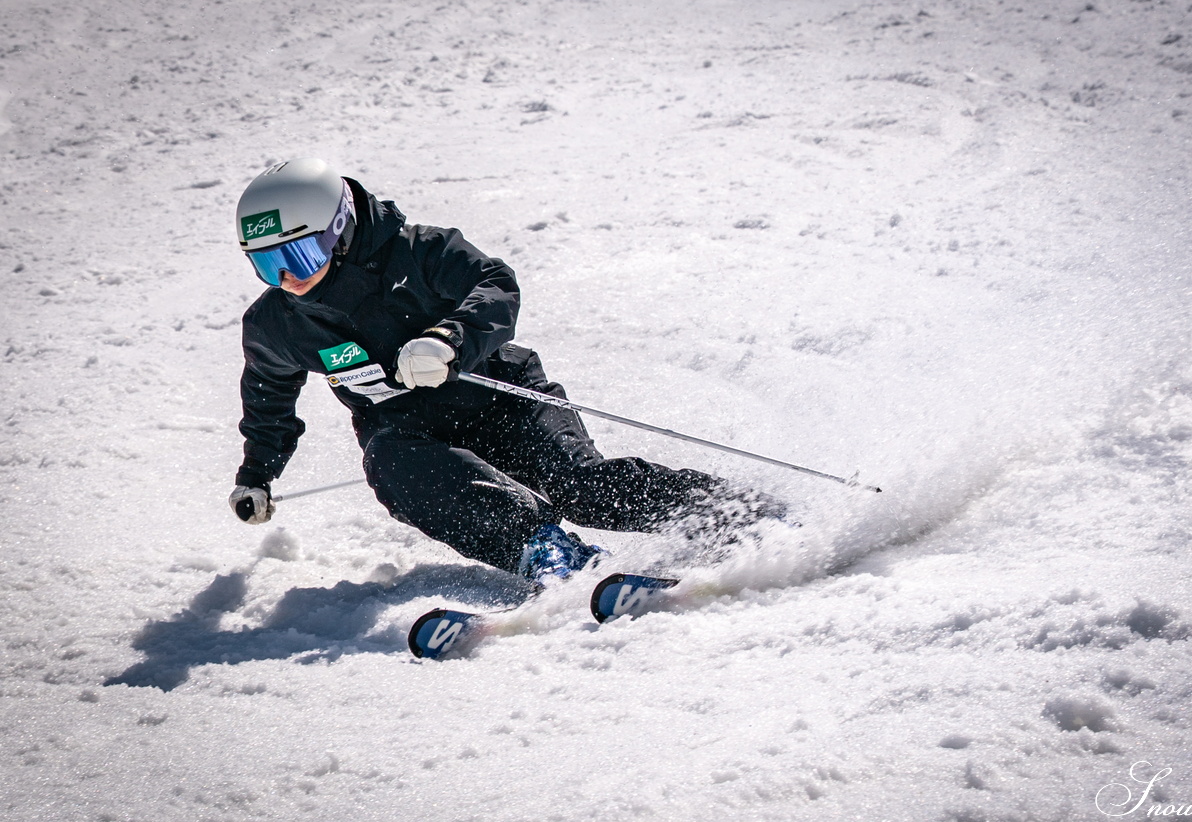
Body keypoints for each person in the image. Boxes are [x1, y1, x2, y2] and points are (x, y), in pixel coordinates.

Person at [228, 158, 779, 588]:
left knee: (581, 488)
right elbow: (268, 398)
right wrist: (257, 474)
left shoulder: (418, 252)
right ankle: (546, 552)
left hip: (504, 398)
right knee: (389, 463)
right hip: (416, 438)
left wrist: (450, 340)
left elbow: (494, 283)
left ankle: (740, 516)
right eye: (266, 265)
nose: (288, 279)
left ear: (340, 228)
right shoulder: (277, 323)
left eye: (298, 257)